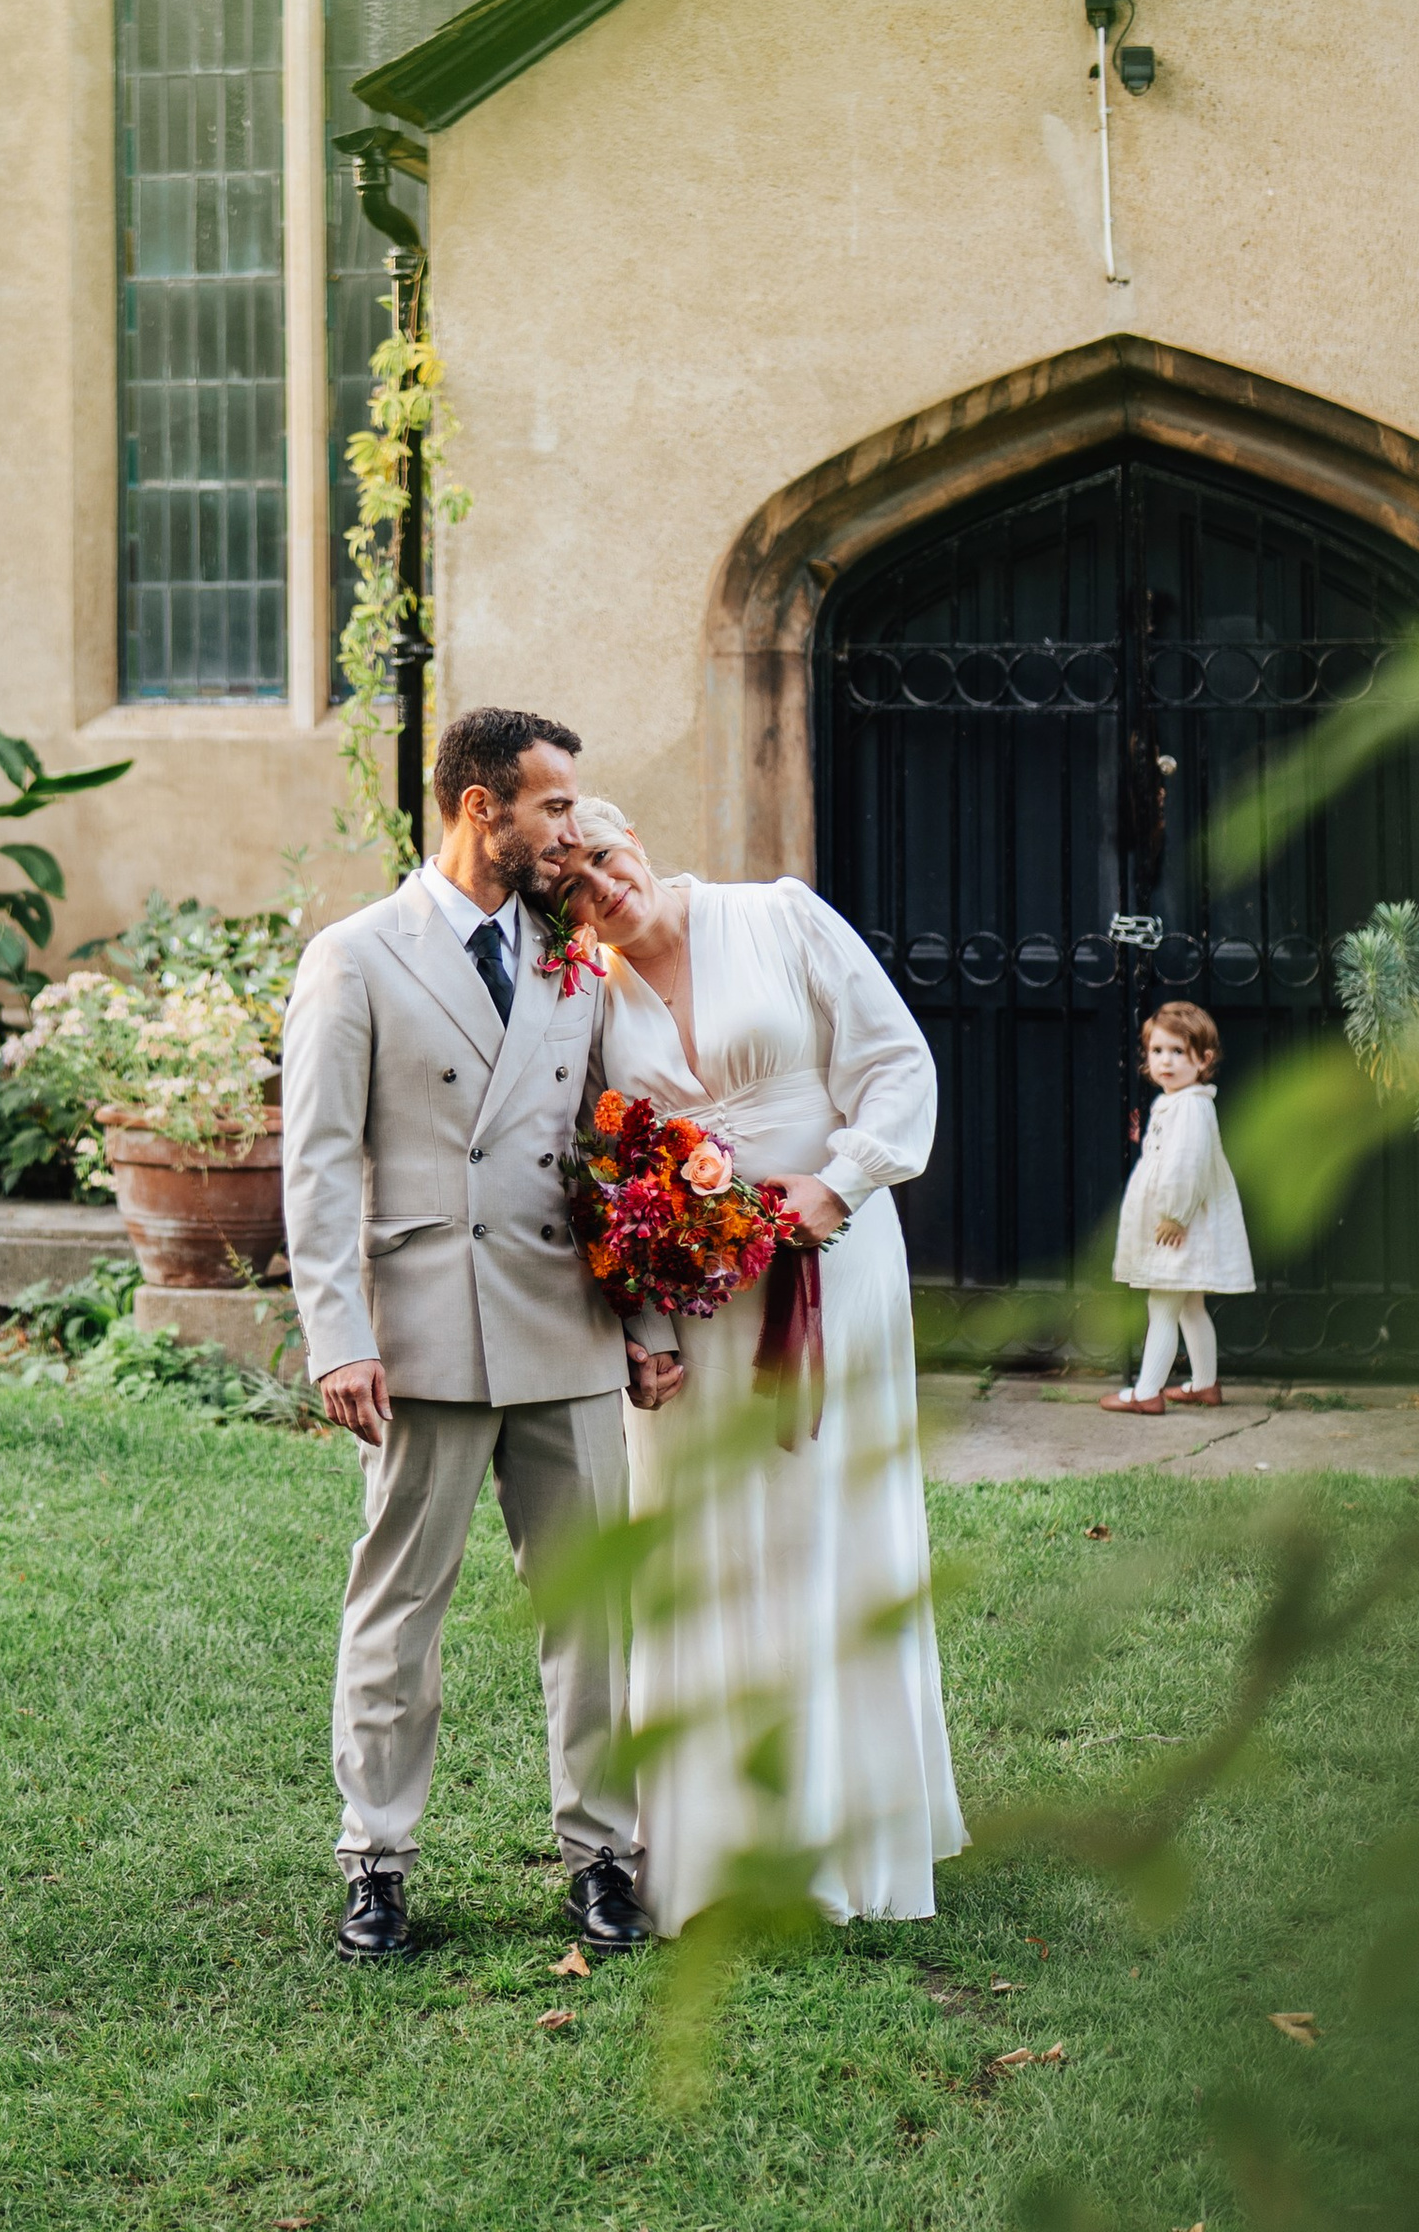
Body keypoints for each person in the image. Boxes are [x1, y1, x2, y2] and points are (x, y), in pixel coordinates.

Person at [280, 706, 676, 1965]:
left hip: (564, 1319)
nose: (571, 828)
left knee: (592, 1613)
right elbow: (317, 1163)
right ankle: (376, 1861)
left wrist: (647, 1317)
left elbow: (616, 1148)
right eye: (553, 807)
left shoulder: (571, 957)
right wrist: (339, 1336)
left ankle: (602, 1856)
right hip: (423, 1332)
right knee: (399, 1608)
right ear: (478, 808)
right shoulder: (358, 955)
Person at [554, 799, 966, 1934]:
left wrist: (838, 1184)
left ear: (635, 839)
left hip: (833, 1260)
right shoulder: (588, 999)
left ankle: (844, 1835)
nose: (602, 889)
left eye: (605, 857)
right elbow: (598, 1170)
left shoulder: (779, 917)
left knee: (828, 1520)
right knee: (703, 1541)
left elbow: (895, 1063)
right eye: (573, 887)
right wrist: (647, 1321)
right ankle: (715, 1844)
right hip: (698, 1307)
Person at [1100, 999, 1254, 1412]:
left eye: (1178, 1051)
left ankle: (1147, 1393)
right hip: (1184, 1223)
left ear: (1203, 1060)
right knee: (1190, 1305)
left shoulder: (1190, 1106)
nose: (1165, 1061)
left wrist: (1175, 1214)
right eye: (1157, 1050)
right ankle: (1204, 1384)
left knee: (1162, 1305)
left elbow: (1188, 1165)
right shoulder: (1180, 1102)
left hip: (1181, 1225)